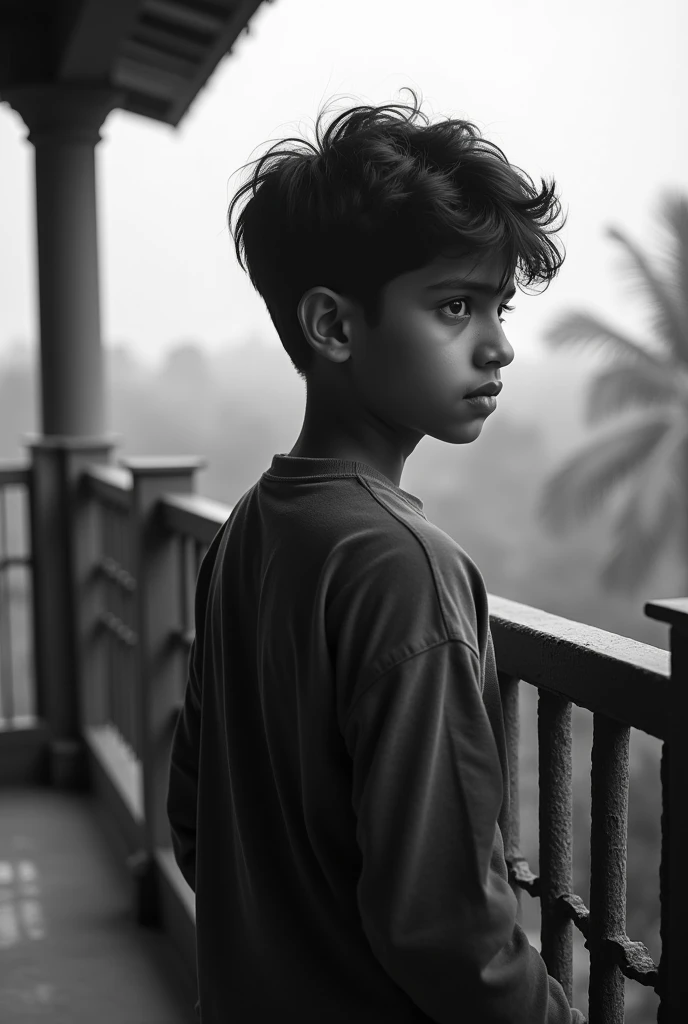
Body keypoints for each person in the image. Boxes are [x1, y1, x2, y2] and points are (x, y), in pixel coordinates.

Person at [167, 88, 587, 1023]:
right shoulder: (405, 569)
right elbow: (443, 928)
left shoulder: (250, 527)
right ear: (335, 326)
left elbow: (196, 823)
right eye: (454, 305)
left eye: (498, 305)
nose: (500, 346)